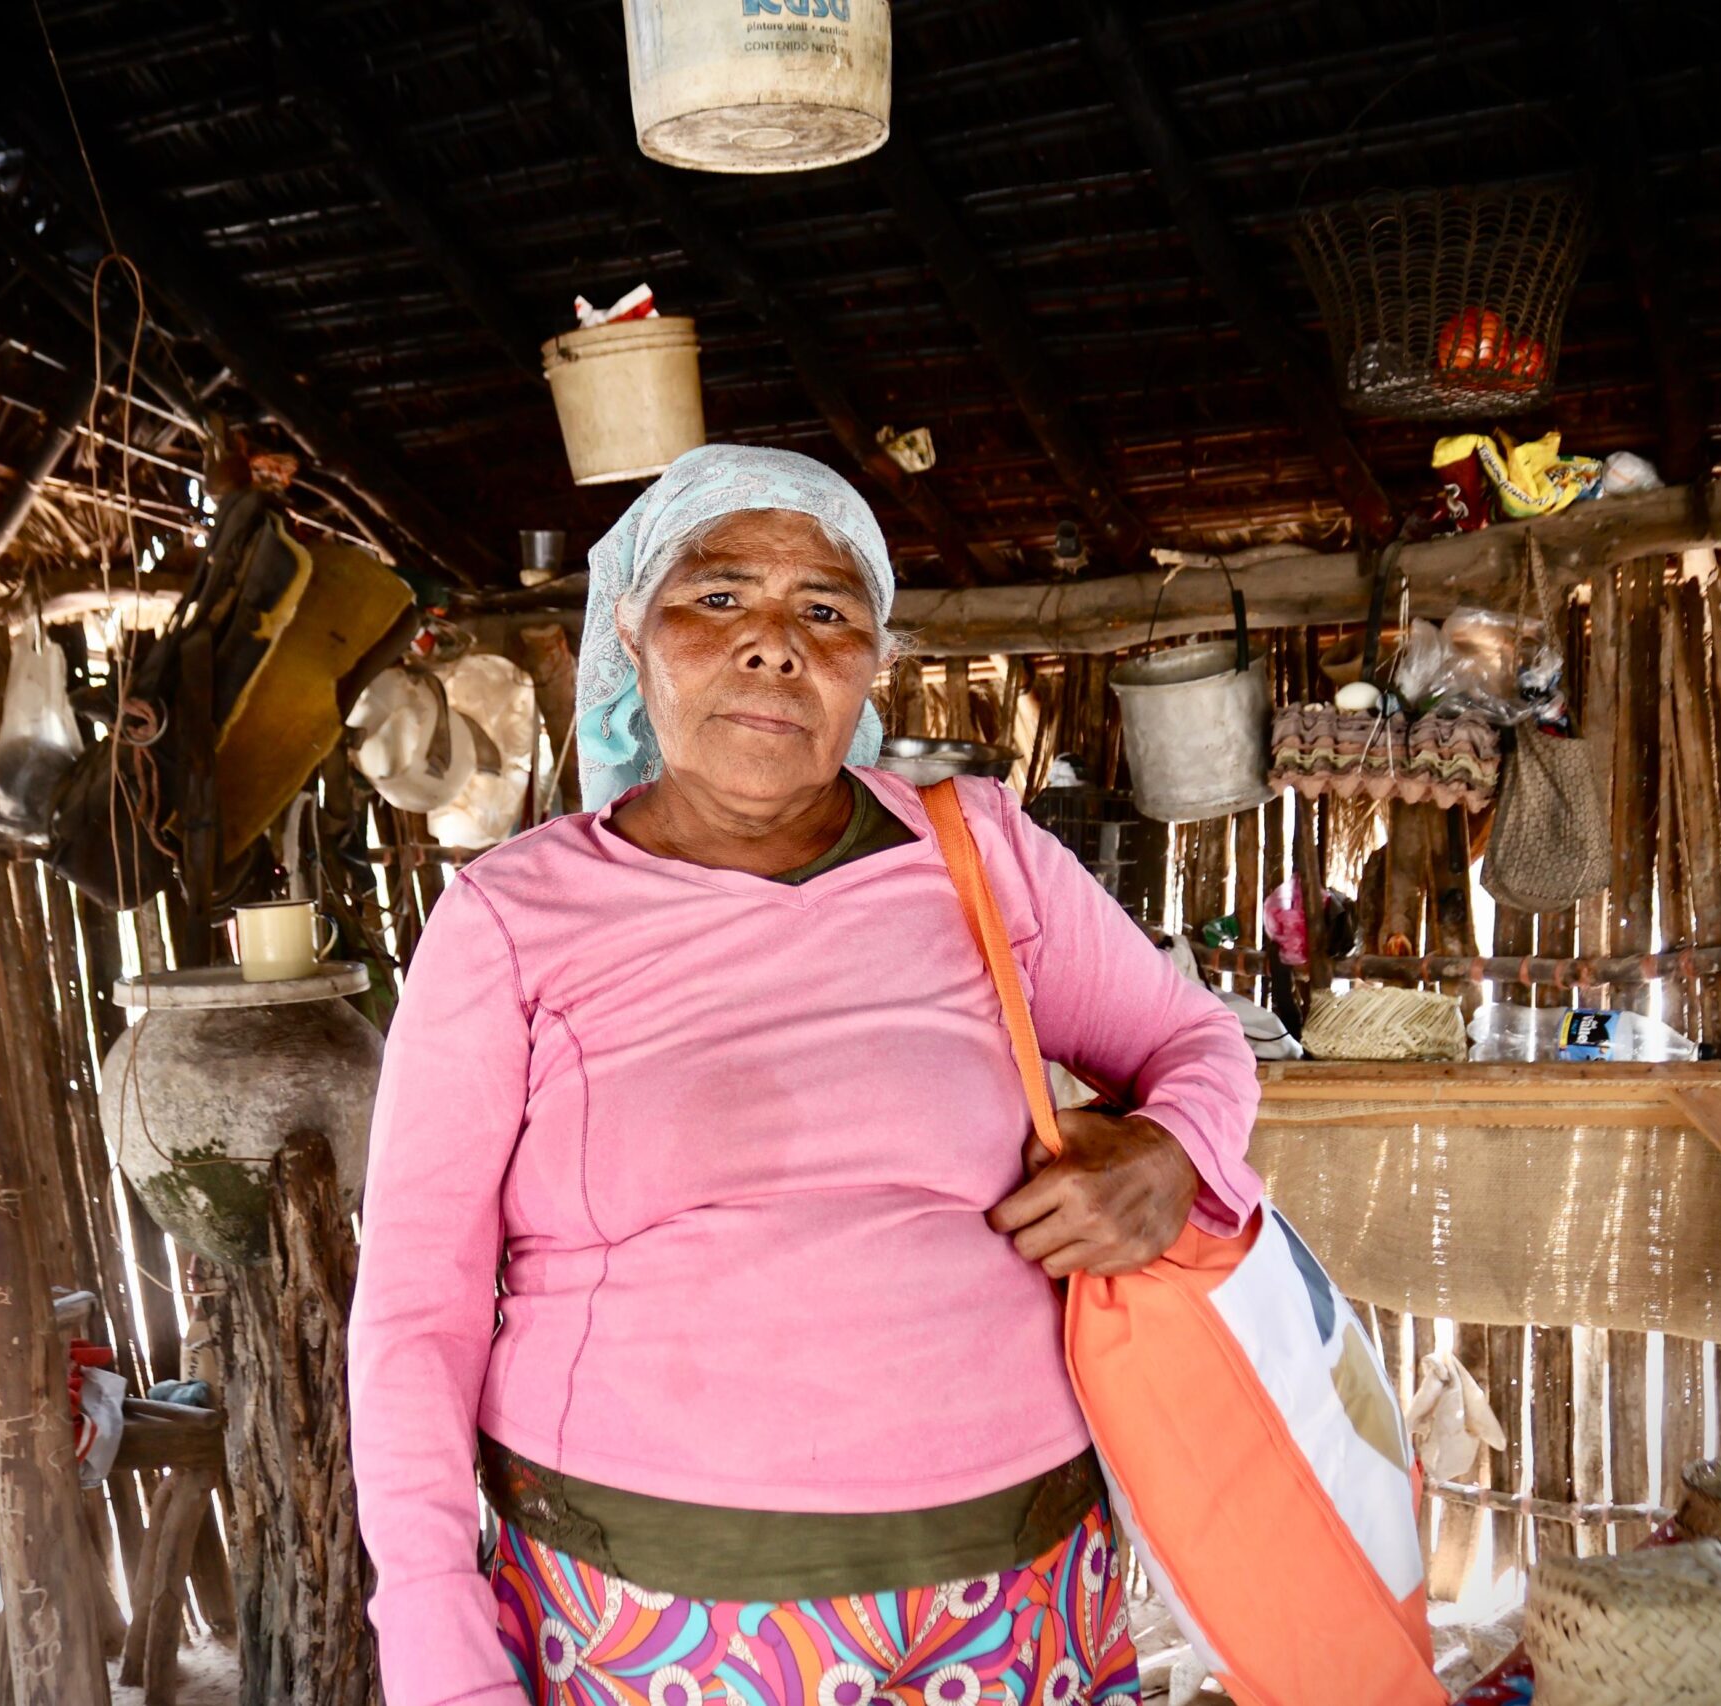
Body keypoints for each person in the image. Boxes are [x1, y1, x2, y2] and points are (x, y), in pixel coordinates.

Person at [348, 444, 1262, 1706]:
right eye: (718, 597)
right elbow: (412, 1316)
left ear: (872, 661)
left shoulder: (977, 851)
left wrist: (1172, 1156)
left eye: (824, 610)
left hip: (1017, 1592)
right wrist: (442, 1656)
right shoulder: (512, 917)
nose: (773, 644)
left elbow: (1199, 1046)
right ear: (632, 631)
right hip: (650, 1609)